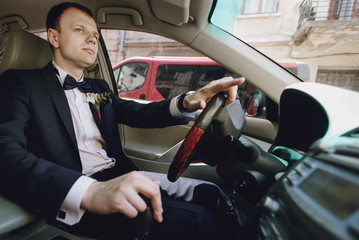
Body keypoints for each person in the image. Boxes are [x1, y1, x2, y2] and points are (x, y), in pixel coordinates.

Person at [0, 2, 245, 239]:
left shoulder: (98, 87)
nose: (92, 38)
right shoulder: (20, 83)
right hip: (74, 191)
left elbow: (137, 113)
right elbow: (5, 151)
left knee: (212, 194)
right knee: (199, 221)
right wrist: (90, 191)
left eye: (95, 34)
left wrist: (188, 101)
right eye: (79, 30)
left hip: (120, 174)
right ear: (54, 38)